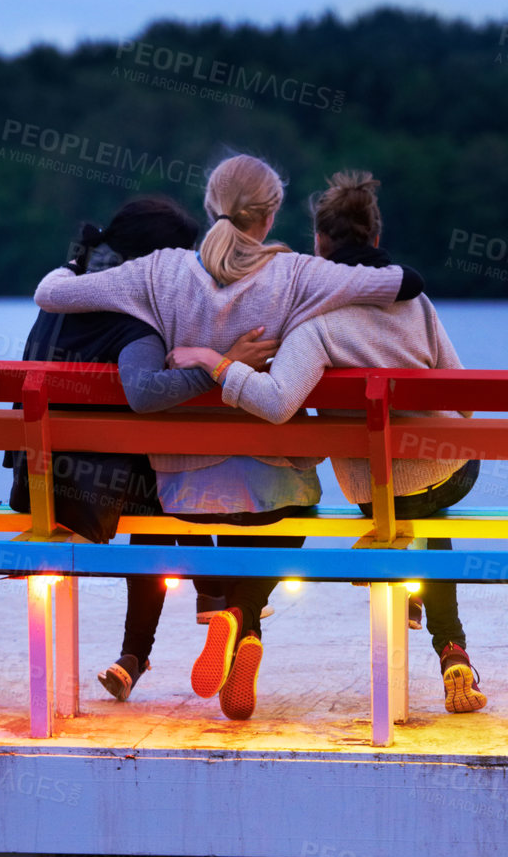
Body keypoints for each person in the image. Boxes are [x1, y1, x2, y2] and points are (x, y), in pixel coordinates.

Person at [33, 154, 424, 719]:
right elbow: (403, 283)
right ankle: (239, 617)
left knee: (247, 498)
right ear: (270, 218)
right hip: (275, 489)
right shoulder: (297, 274)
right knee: (295, 507)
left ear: (211, 206)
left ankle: (229, 624)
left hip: (184, 494)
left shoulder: (158, 271)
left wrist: (76, 263)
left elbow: (51, 293)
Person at [166, 171, 486, 715]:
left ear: (319, 244)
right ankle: (452, 651)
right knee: (430, 517)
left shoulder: (314, 321)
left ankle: (241, 617)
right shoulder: (417, 303)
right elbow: (464, 400)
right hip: (441, 475)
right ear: (377, 237)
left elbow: (275, 402)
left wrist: (218, 364)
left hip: (370, 487)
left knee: (385, 507)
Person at [7, 195, 275, 702]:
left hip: (34, 479)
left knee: (157, 483)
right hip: (87, 495)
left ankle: (143, 650)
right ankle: (217, 597)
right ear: (159, 263)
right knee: (172, 480)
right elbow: (145, 392)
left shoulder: (66, 285)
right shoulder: (134, 316)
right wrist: (219, 365)